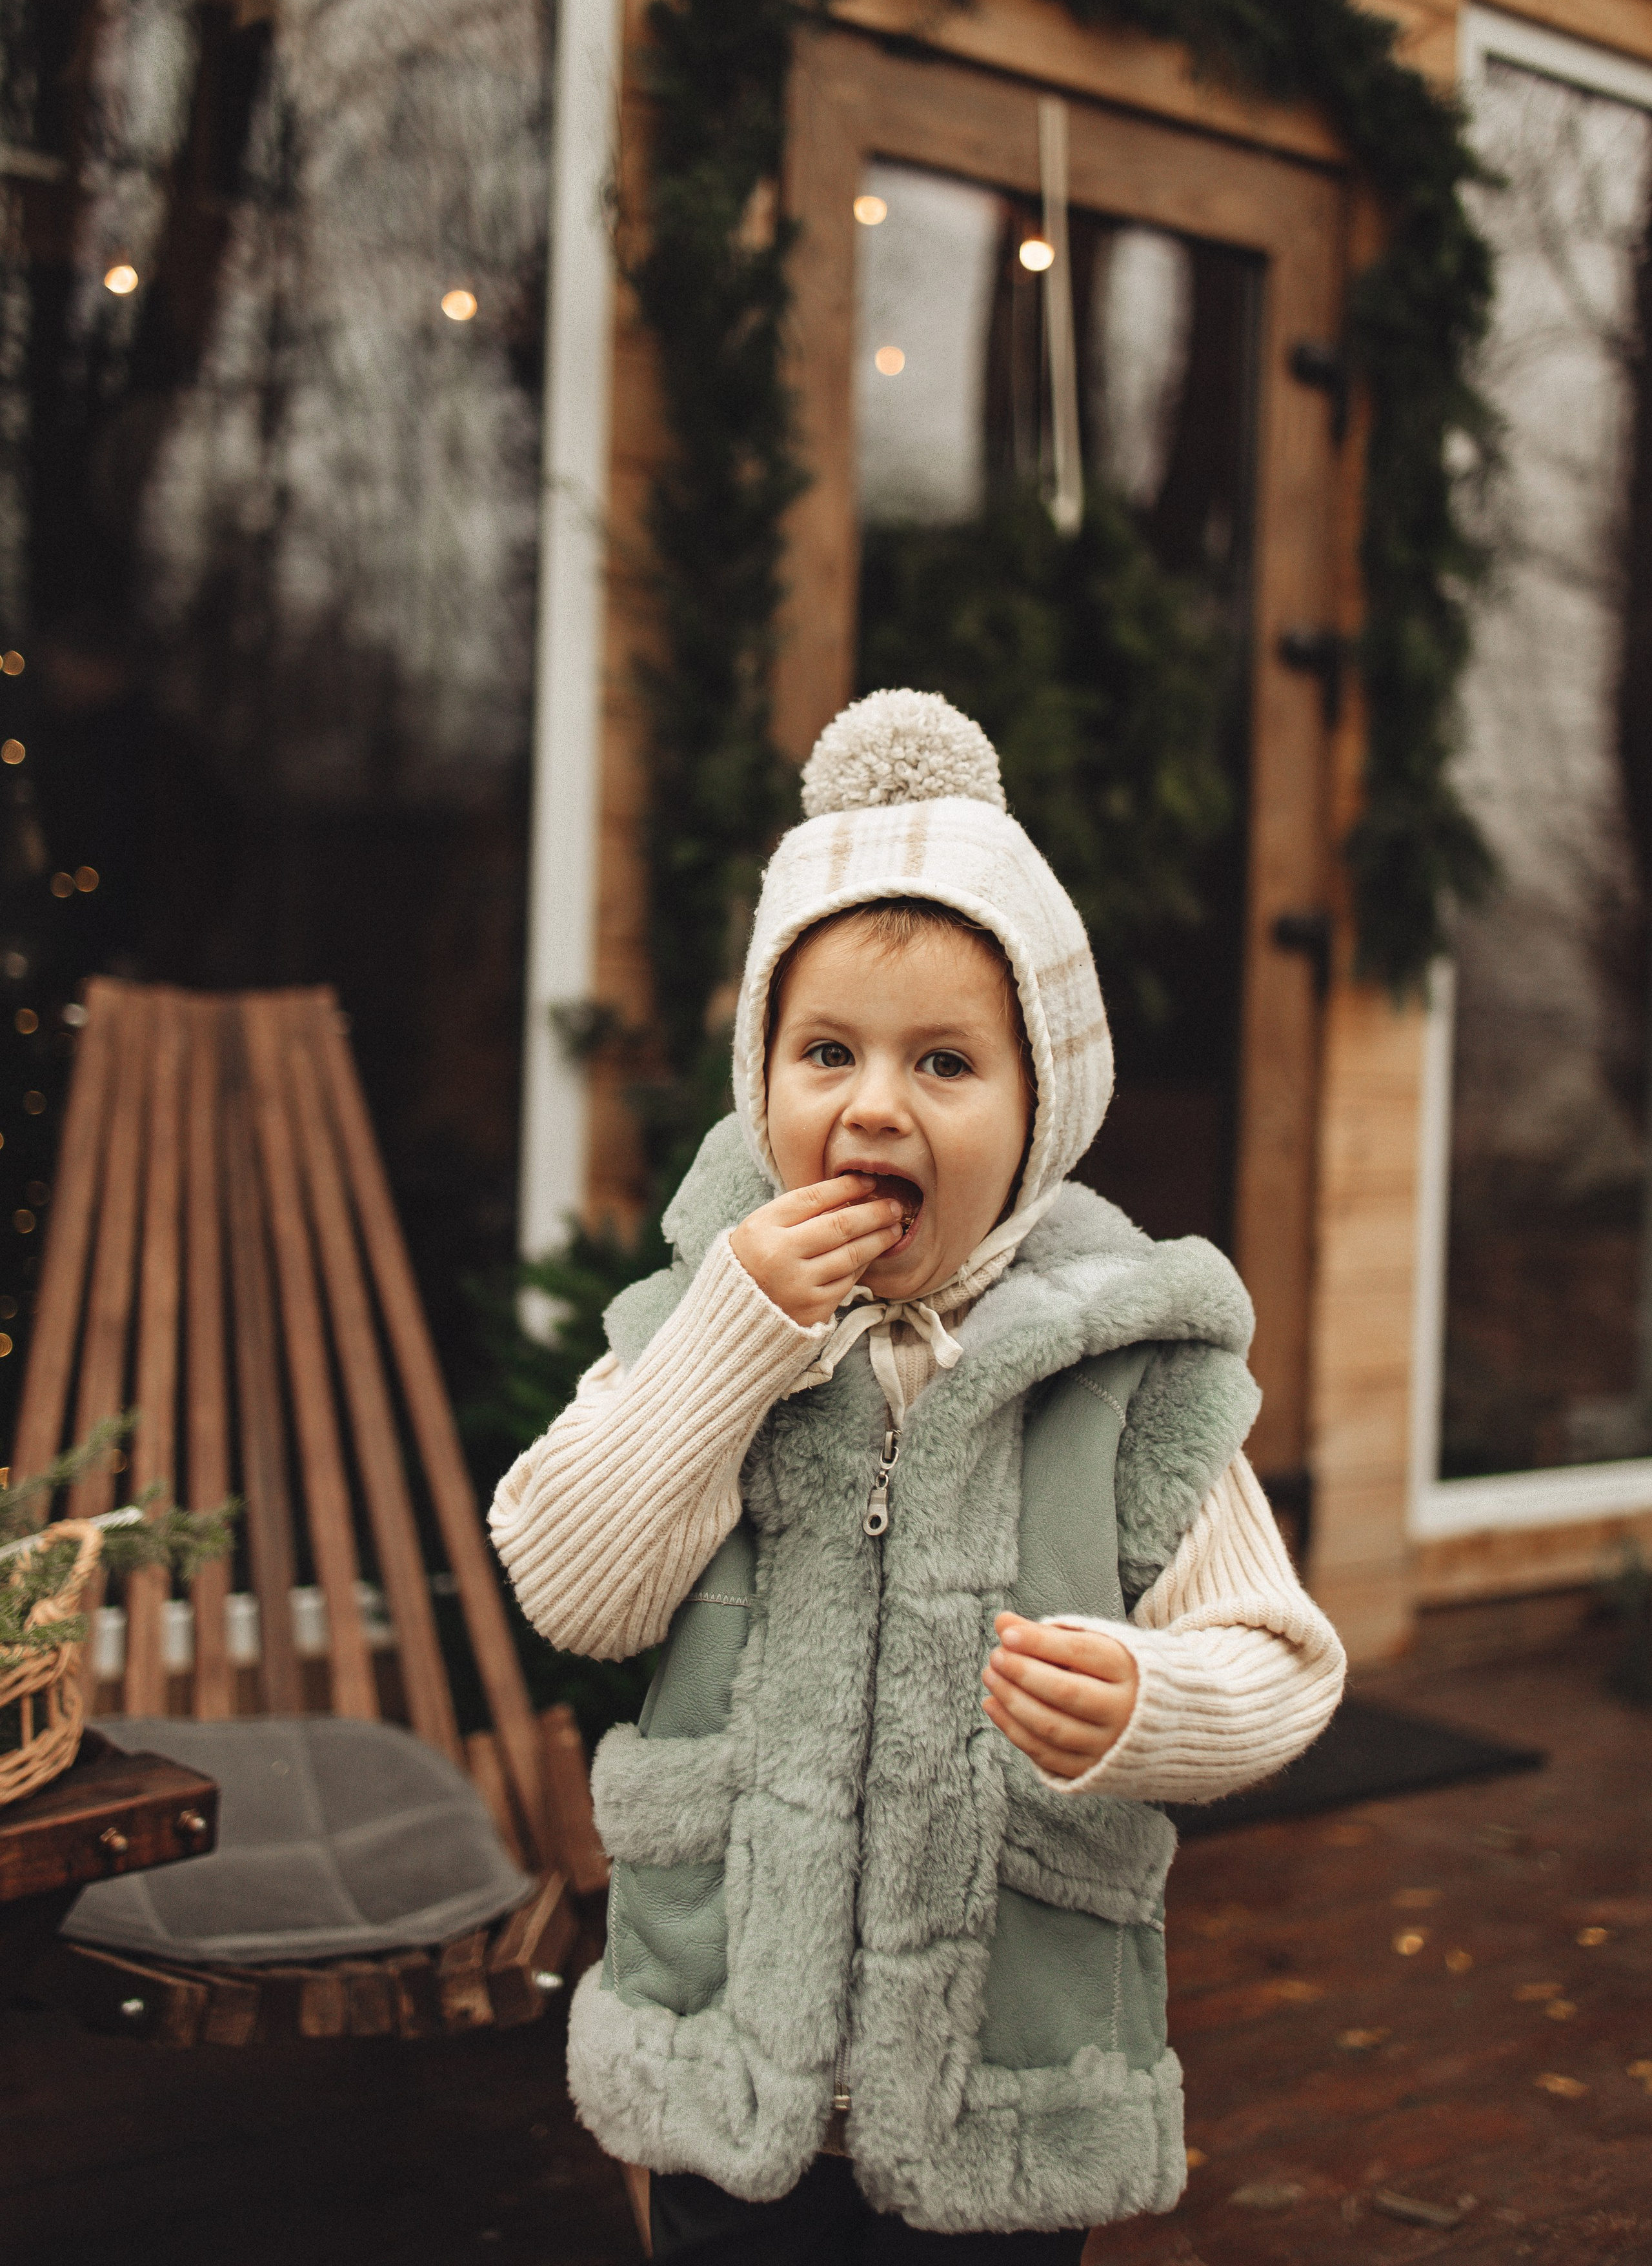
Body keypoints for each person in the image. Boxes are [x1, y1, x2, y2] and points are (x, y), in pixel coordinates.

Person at [490, 691, 1345, 2263]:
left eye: (942, 1061)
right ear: (765, 1085)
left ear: (1040, 1117)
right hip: (724, 2046)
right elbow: (571, 1587)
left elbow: (1281, 1661)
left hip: (996, 2081)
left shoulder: (1125, 1363)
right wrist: (735, 1338)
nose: (872, 1102)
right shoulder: (697, 1323)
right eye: (826, 1051)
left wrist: (1148, 1699)